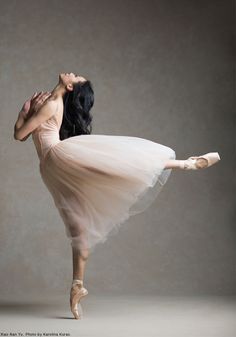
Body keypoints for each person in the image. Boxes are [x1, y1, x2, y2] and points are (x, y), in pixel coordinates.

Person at [13, 72, 221, 319]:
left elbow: (19, 133)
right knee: (80, 228)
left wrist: (25, 113)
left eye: (75, 77)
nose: (74, 74)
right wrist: (25, 111)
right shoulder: (51, 101)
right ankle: (77, 286)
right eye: (77, 76)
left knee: (115, 165)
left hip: (55, 160)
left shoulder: (51, 102)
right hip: (52, 165)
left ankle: (185, 164)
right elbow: (21, 134)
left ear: (68, 86)